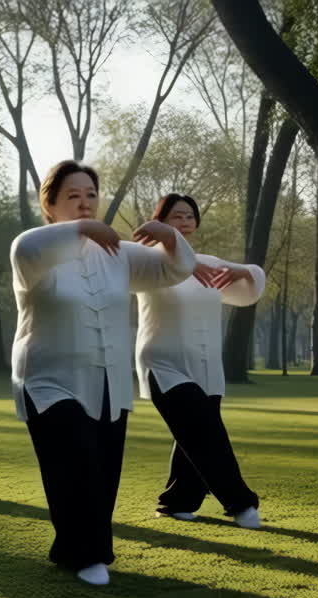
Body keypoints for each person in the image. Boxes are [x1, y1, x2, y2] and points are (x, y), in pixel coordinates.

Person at [9, 161, 195, 586]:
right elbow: (28, 250)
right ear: (51, 206)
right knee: (74, 463)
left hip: (107, 379)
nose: (84, 203)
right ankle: (87, 554)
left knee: (104, 468)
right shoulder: (34, 250)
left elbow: (175, 269)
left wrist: (169, 237)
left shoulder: (119, 255)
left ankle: (71, 546)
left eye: (90, 195)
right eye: (72, 196)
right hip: (47, 378)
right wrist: (80, 231)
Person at [135, 193, 265, 528]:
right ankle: (241, 503)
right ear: (161, 221)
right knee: (207, 435)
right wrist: (172, 246)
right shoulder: (149, 262)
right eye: (176, 216)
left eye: (190, 216)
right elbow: (147, 263)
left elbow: (249, 290)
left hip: (207, 368)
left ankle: (176, 502)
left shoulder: (207, 261)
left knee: (193, 438)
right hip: (163, 363)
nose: (185, 221)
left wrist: (235, 268)